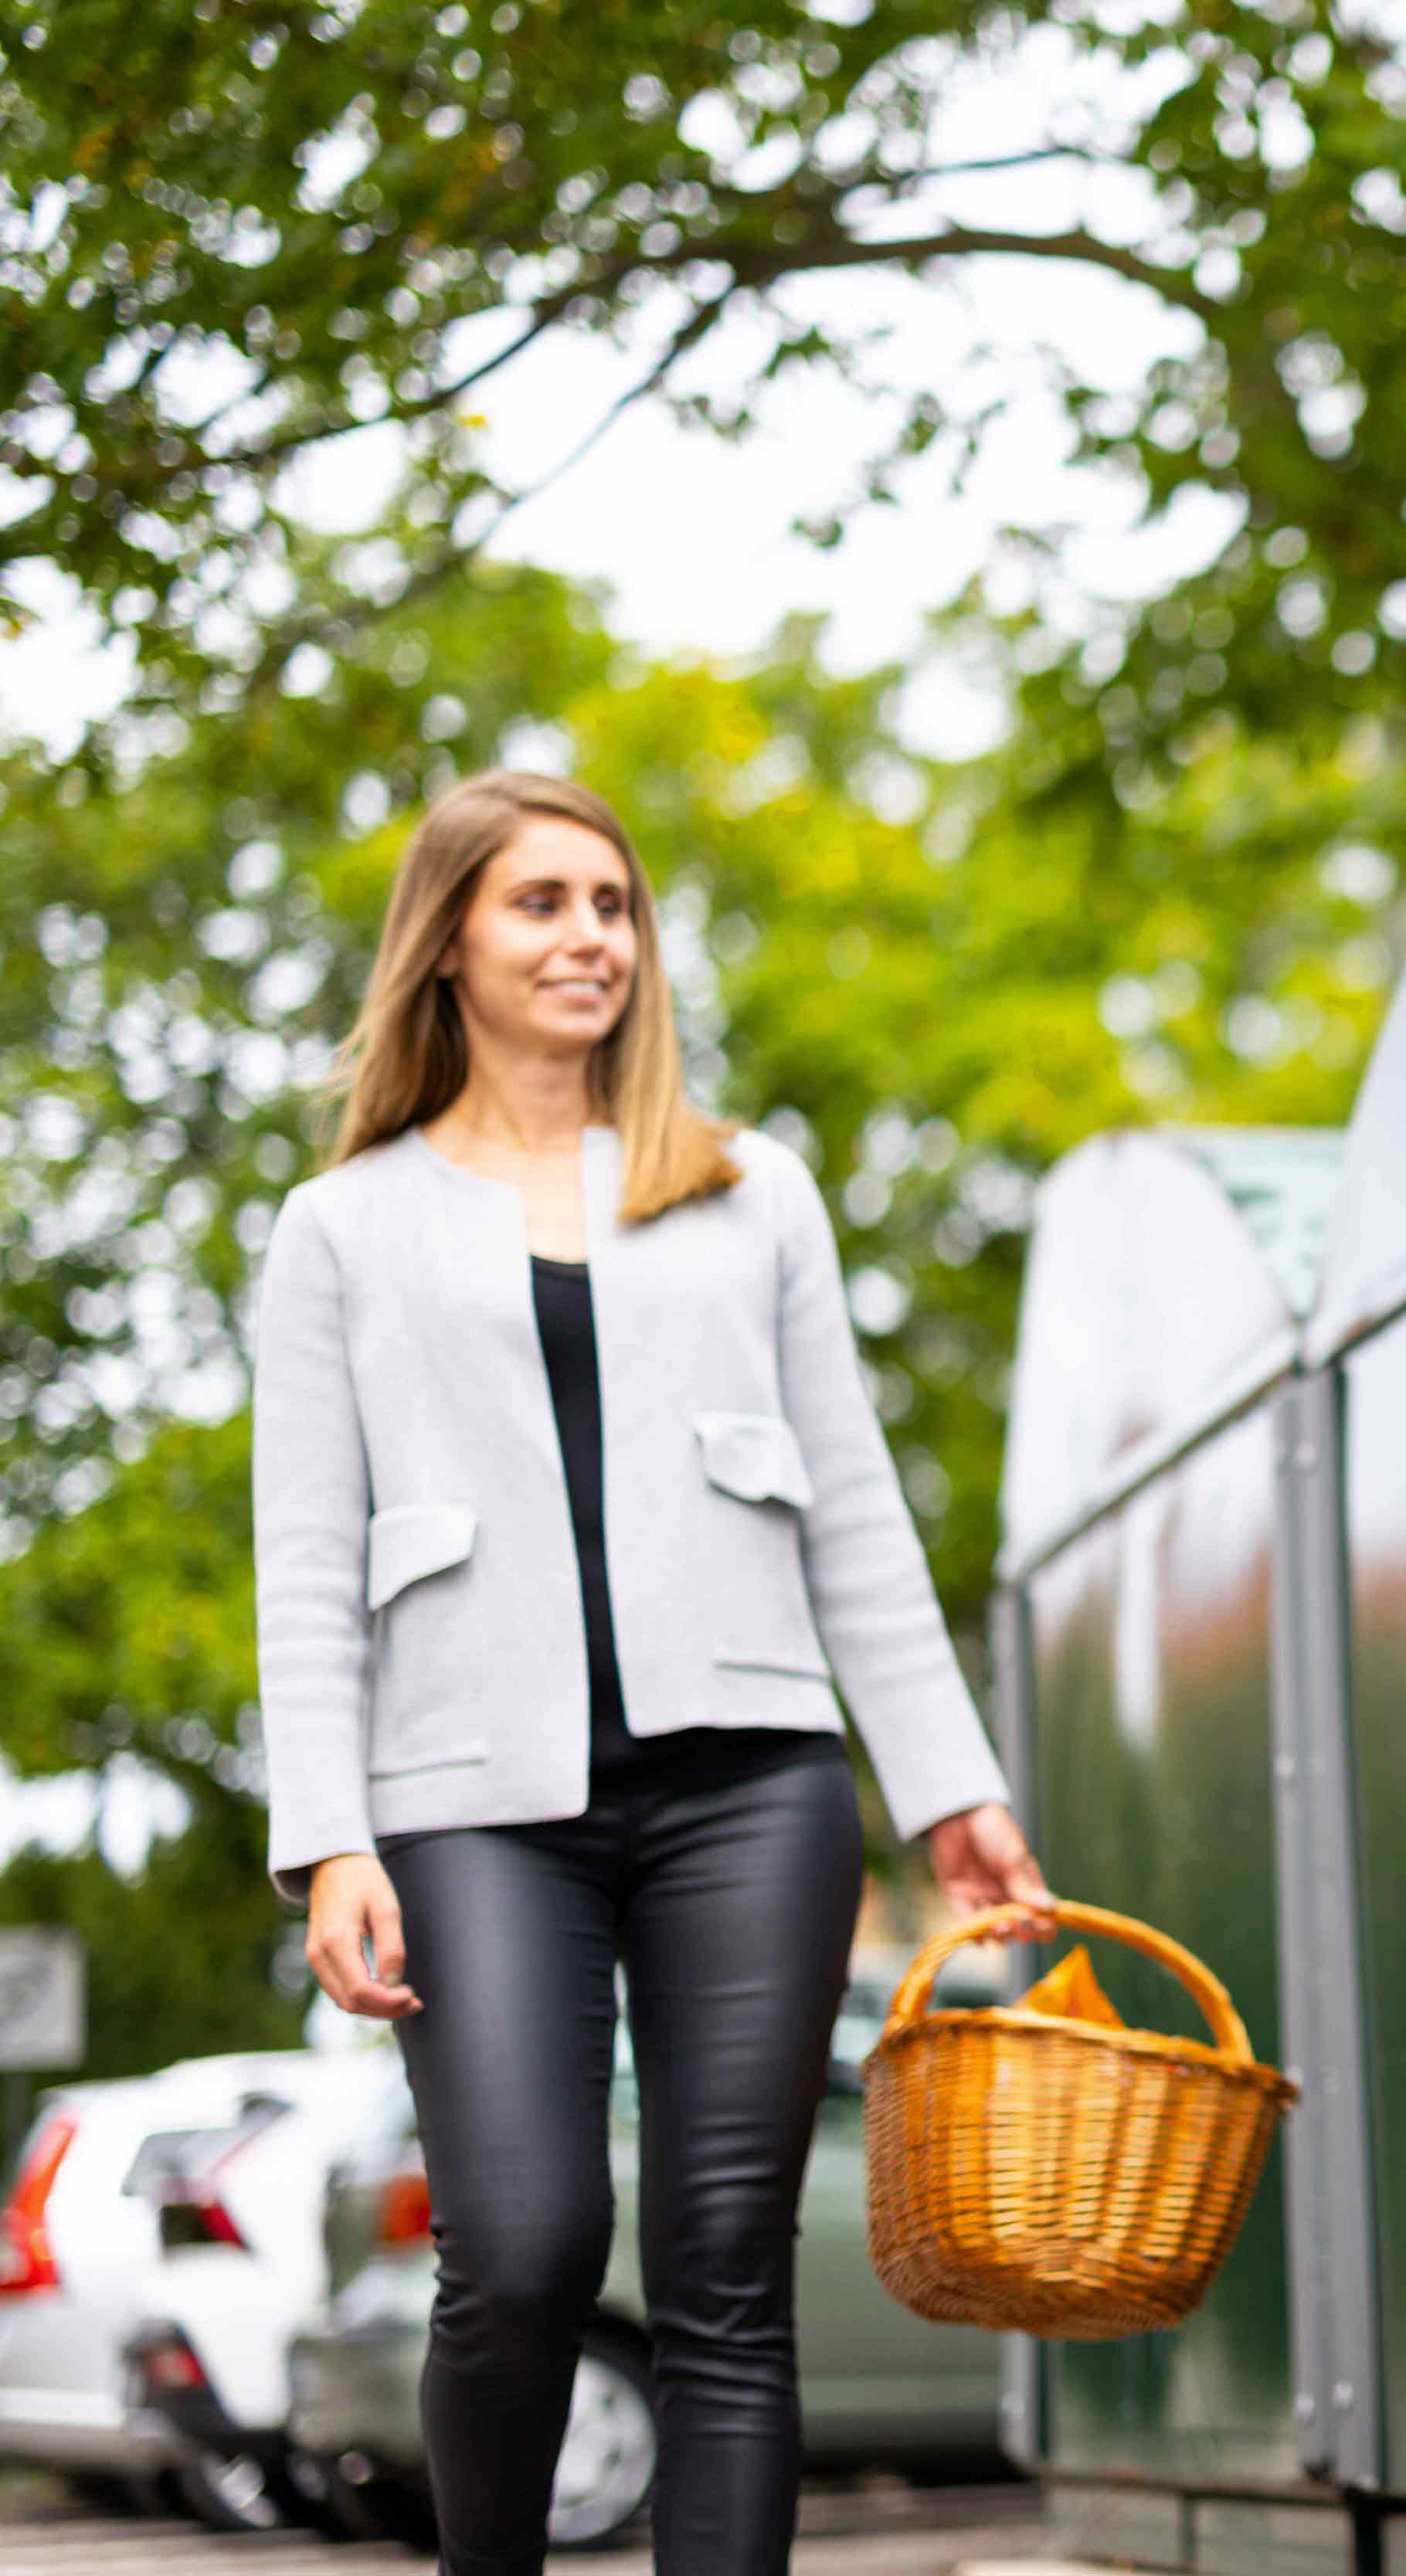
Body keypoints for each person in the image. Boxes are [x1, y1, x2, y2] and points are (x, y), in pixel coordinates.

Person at [248, 771, 1058, 2576]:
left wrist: (954, 1789)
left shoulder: (751, 1192)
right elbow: (304, 1566)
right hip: (470, 1810)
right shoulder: (343, 1230)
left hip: (749, 1788)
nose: (589, 938)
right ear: (448, 939)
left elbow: (855, 1511)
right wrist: (332, 1841)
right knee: (523, 2245)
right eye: (540, 902)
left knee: (722, 2279)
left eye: (612, 905)